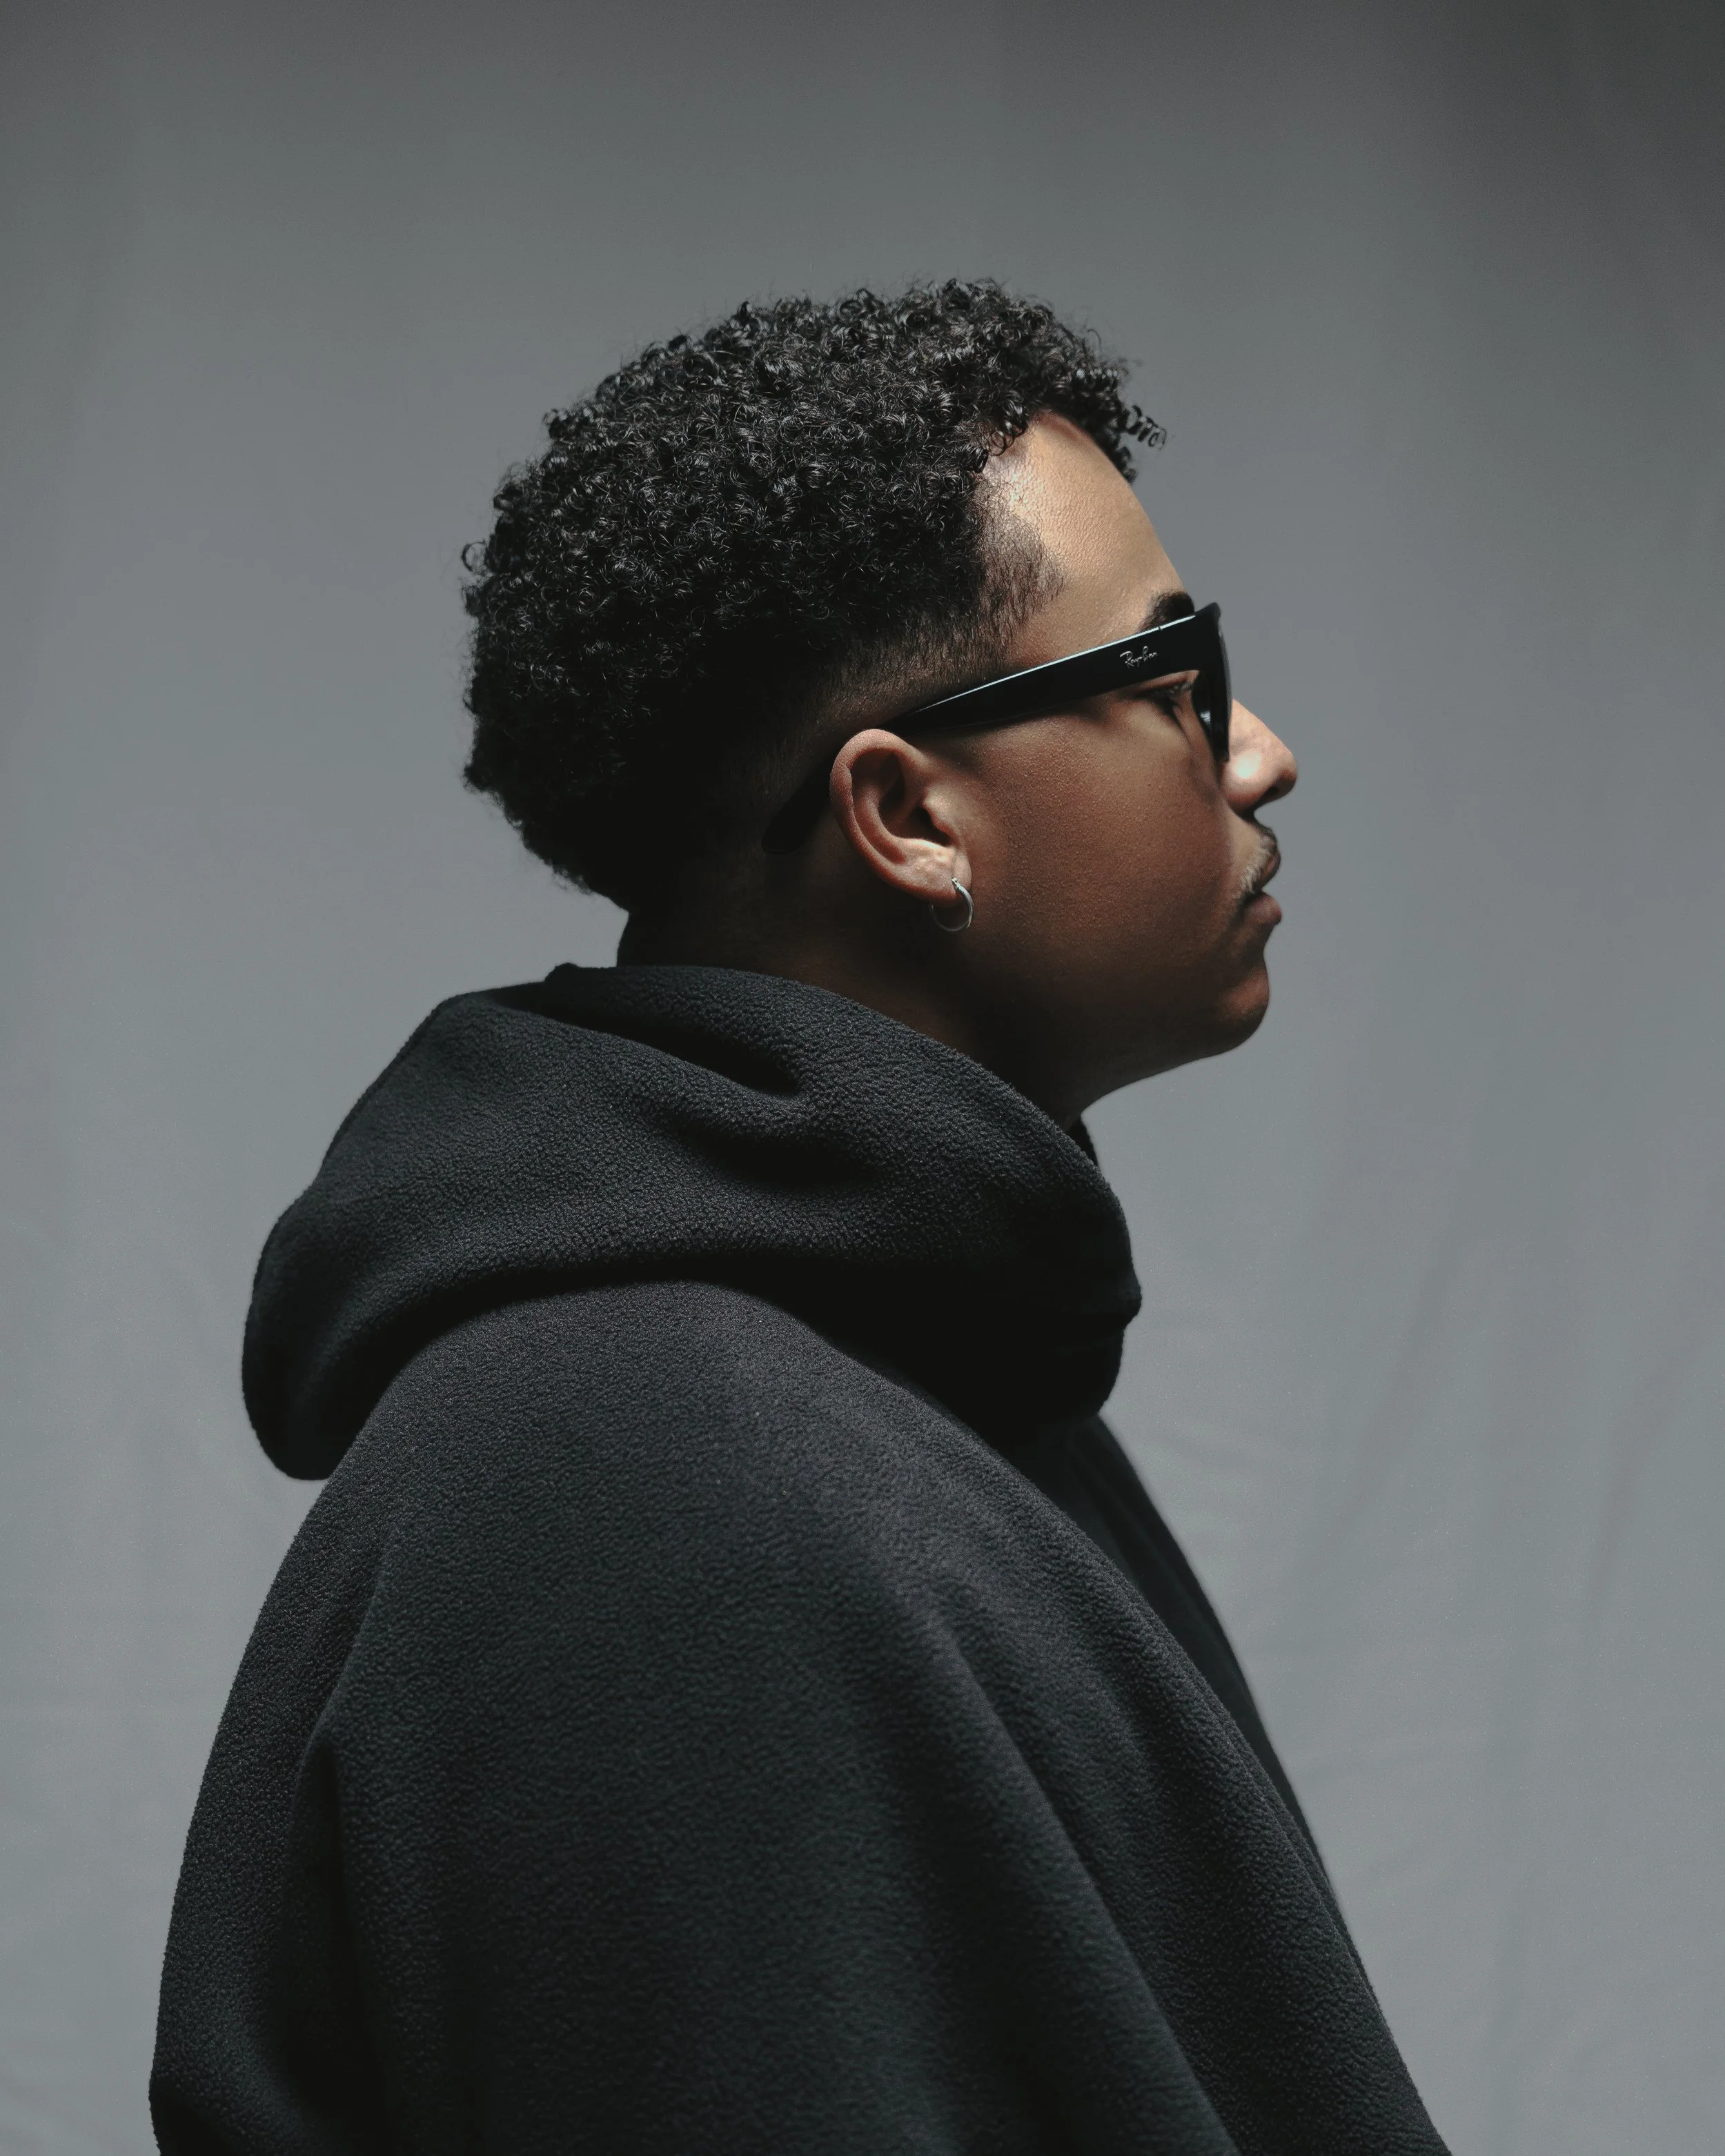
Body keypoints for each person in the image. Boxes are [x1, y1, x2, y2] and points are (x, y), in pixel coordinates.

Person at [152, 281, 1446, 2153]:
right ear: (907, 813)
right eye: (1176, 677)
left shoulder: (880, 1385)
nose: (1256, 754)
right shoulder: (642, 1479)